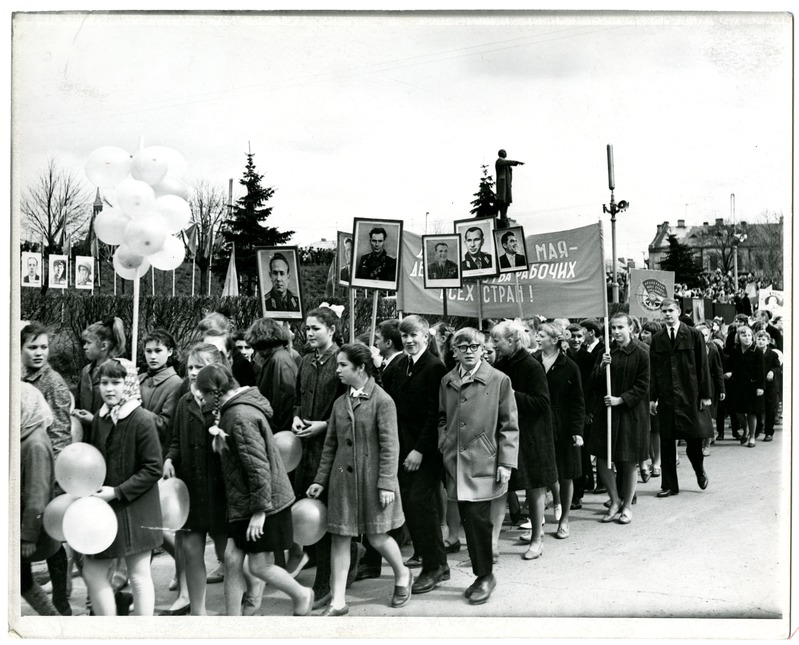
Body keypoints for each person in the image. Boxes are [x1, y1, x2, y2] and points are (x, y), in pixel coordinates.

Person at [194, 363, 314, 617]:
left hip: (263, 503)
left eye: (202, 394)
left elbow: (258, 468)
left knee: (260, 566)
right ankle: (234, 619)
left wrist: (260, 512)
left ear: (214, 393)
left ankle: (302, 594)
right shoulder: (234, 410)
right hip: (249, 501)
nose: (200, 399)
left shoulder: (239, 417)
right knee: (232, 558)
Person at [307, 343, 411, 615]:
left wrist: (386, 482)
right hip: (342, 483)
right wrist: (320, 480)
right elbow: (331, 445)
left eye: (343, 365)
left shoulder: (383, 401)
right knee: (340, 538)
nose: (337, 370)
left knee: (377, 535)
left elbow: (391, 446)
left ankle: (402, 574)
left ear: (361, 367)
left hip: (372, 481)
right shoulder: (339, 403)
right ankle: (338, 601)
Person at [438, 327, 519, 605]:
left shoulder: (499, 380)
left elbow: (509, 425)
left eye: (474, 346)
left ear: (483, 349)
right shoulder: (447, 380)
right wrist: (444, 441)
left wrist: (506, 462)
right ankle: (481, 575)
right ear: (454, 352)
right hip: (456, 461)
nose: (469, 352)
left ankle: (485, 576)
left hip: (485, 460)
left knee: (478, 521)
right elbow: (442, 417)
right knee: (469, 520)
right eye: (462, 347)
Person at [81, 358, 163, 616]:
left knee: (138, 575)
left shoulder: (142, 419)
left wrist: (117, 492)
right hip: (108, 509)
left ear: (128, 384)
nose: (109, 389)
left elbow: (153, 468)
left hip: (137, 510)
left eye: (116, 382)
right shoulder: (101, 418)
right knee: (93, 572)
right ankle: (111, 628)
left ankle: (142, 631)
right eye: (104, 382)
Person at [379, 316, 450, 593]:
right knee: (411, 505)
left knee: (421, 503)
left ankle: (435, 566)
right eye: (405, 336)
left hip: (425, 451)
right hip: (402, 446)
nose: (409, 340)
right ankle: (433, 562)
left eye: (414, 335)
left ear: (426, 337)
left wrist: (419, 450)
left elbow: (436, 414)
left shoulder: (434, 367)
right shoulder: (401, 364)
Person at [163, 344, 233, 616]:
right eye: (190, 367)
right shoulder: (185, 402)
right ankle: (198, 611)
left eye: (199, 367)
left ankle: (242, 601)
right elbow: (177, 439)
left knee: (228, 554)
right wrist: (170, 458)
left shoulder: (223, 402)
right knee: (192, 551)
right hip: (191, 489)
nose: (193, 373)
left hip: (219, 491)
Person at [288, 306, 347, 609]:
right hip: (305, 450)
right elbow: (298, 398)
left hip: (330, 450)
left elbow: (348, 405)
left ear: (332, 330)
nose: (309, 333)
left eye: (315, 328)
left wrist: (324, 425)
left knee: (324, 515)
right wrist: (297, 417)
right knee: (308, 511)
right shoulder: (306, 361)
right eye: (307, 328)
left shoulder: (341, 361)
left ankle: (325, 582)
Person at [492, 320, 557, 560]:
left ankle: (537, 538)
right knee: (502, 486)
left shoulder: (532, 366)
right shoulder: (500, 364)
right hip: (508, 433)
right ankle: (492, 544)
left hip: (532, 436)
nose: (493, 345)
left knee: (534, 486)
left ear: (511, 341)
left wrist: (511, 395)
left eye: (497, 340)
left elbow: (542, 402)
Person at [20, 322, 73, 614]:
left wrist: (52, 478)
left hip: (45, 469)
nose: (39, 353)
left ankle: (61, 600)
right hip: (25, 467)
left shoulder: (53, 383)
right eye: (32, 347)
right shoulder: (18, 377)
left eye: (44, 347)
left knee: (52, 539)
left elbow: (61, 433)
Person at [588, 313, 650, 525]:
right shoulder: (605, 352)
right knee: (603, 456)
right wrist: (602, 367)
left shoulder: (642, 352)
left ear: (630, 328)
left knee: (628, 458)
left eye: (620, 327)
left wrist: (621, 399)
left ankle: (627, 506)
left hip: (630, 413)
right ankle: (614, 500)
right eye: (613, 328)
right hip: (606, 413)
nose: (616, 332)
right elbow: (593, 382)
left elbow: (643, 385)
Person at [649, 298, 713, 497]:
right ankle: (669, 485)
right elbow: (653, 370)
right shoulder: (658, 338)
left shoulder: (693, 334)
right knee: (667, 442)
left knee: (694, 441)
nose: (667, 314)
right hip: (667, 397)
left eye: (670, 310)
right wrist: (652, 397)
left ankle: (699, 471)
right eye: (664, 311)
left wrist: (705, 395)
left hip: (690, 395)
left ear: (678, 311)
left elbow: (703, 366)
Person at [534, 323, 584, 539]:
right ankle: (536, 522)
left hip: (562, 425)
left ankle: (564, 519)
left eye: (541, 335)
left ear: (554, 340)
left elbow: (577, 401)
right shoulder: (533, 361)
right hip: (537, 424)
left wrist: (577, 431)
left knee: (565, 473)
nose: (537, 338)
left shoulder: (569, 366)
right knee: (539, 473)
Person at [20, 383, 62, 616]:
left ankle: (56, 623)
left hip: (24, 529)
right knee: (22, 582)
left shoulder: (34, 443)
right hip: (18, 526)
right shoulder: (25, 435)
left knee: (24, 583)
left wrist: (28, 536)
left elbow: (37, 495)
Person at [72, 317, 127, 434]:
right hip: (85, 437)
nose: (84, 347)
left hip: (107, 439)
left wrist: (93, 420)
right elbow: (77, 402)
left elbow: (123, 420)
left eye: (88, 343)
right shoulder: (86, 371)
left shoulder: (119, 373)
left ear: (103, 346)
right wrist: (75, 412)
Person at [247, 318, 298, 435]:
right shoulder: (277, 357)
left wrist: (275, 428)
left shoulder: (279, 359)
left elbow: (285, 399)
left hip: (279, 429)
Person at [723, 325, 765, 448]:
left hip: (752, 385)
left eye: (749, 335)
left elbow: (761, 371)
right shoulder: (735, 350)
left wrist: (761, 387)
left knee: (751, 412)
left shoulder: (757, 351)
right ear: (738, 337)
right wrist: (729, 372)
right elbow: (730, 365)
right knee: (738, 412)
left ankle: (752, 437)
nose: (747, 338)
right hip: (737, 385)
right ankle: (745, 429)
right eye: (743, 335)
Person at [695, 322, 725, 457]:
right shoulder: (690, 349)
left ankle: (706, 444)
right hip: (693, 387)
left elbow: (718, 370)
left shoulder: (712, 350)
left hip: (709, 386)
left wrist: (721, 389)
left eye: (706, 335)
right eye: (700, 335)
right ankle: (698, 443)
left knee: (708, 417)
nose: (703, 338)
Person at [639, 320, 663, 479]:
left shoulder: (658, 351)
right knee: (644, 430)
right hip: (641, 394)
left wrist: (657, 397)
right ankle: (647, 460)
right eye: (643, 332)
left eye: (647, 333)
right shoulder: (639, 349)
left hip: (654, 394)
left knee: (656, 430)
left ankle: (657, 462)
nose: (643, 335)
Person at [755, 330, 781, 441]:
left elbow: (777, 367)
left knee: (770, 409)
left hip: (770, 385)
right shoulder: (754, 353)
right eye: (759, 339)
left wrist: (772, 372)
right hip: (757, 384)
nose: (761, 341)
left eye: (763, 339)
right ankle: (758, 428)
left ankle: (769, 432)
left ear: (768, 341)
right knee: (757, 408)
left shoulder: (773, 354)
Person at [495, 149, 524, 220]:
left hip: (507, 184)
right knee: (502, 200)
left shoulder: (505, 163)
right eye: (504, 152)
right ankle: (502, 215)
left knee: (507, 200)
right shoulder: (499, 161)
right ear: (501, 153)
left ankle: (504, 215)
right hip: (502, 184)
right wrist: (516, 162)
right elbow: (507, 162)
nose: (506, 153)